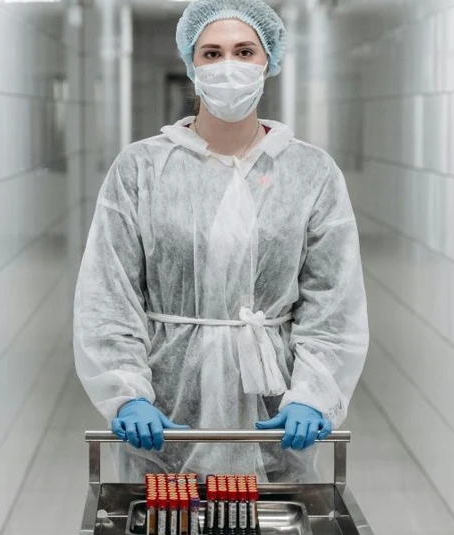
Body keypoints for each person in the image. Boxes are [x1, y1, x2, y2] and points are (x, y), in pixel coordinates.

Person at [73, 0, 369, 483]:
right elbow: (108, 293)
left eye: (244, 51)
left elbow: (333, 299)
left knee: (270, 510)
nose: (228, 65)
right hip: (166, 413)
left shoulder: (311, 172)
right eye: (211, 53)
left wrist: (315, 392)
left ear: (268, 61)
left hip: (272, 413)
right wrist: (126, 392)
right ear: (191, 65)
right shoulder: (141, 168)